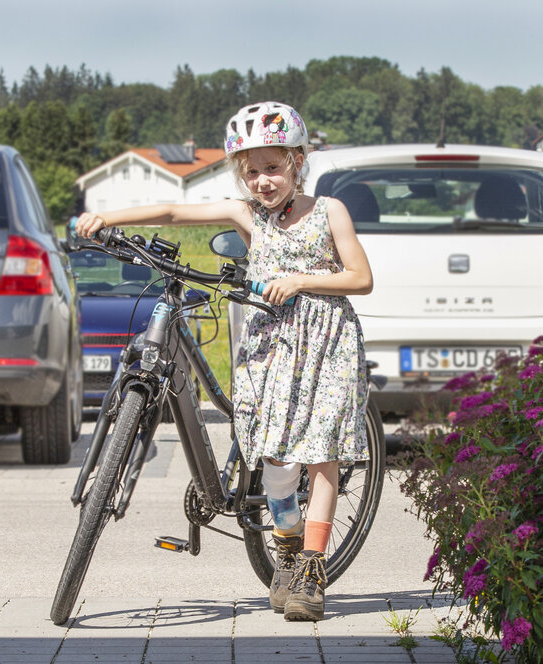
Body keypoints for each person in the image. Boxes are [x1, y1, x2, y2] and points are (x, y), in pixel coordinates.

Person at [76, 101, 373, 621]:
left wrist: (300, 280)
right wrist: (105, 218)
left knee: (321, 453)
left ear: (297, 161)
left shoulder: (330, 212)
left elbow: (360, 278)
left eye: (273, 168)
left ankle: (310, 570)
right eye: (252, 171)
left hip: (326, 341)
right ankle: (286, 542)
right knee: (277, 467)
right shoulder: (247, 215)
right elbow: (172, 212)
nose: (262, 180)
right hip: (270, 348)